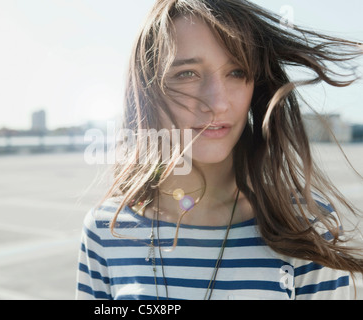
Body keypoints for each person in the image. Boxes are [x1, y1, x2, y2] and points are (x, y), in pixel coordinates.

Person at [76, 0, 363, 300]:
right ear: (146, 90)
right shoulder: (105, 229)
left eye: (237, 72)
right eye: (187, 73)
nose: (218, 102)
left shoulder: (304, 225)